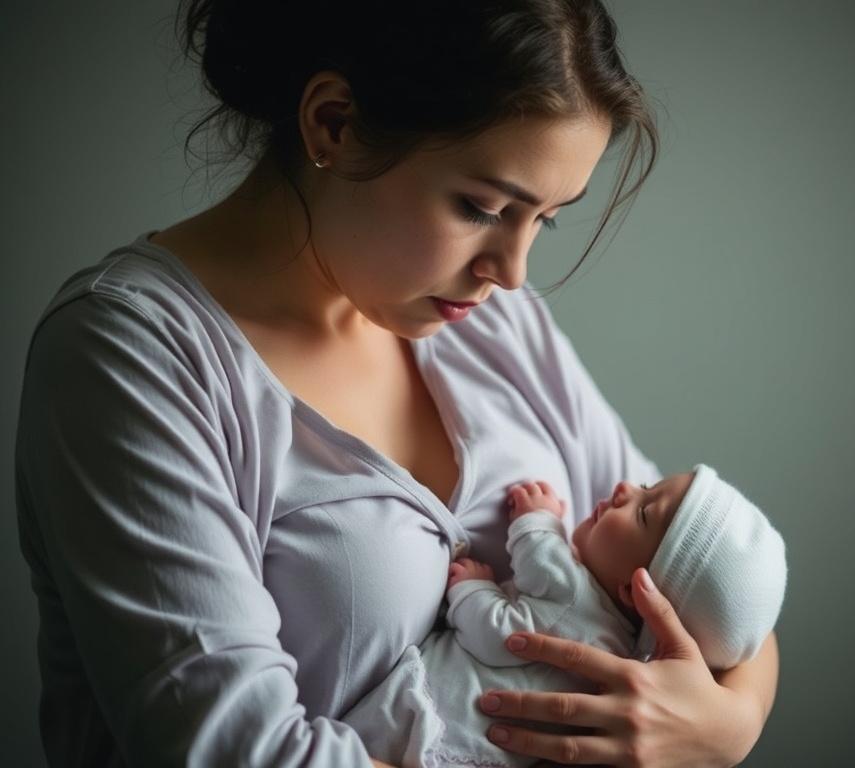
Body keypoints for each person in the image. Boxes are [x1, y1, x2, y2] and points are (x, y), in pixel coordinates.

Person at [14, 1, 780, 766]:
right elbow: (238, 751)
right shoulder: (131, 355)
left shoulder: (489, 322)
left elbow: (705, 577)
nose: (511, 272)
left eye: (543, 219)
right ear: (335, 124)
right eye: (482, 207)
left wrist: (730, 724)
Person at [340, 464, 787, 767]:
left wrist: (477, 582)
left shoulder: (575, 594)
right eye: (649, 487)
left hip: (423, 718)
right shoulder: (627, 662)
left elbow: (500, 632)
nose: (626, 489)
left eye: (645, 511)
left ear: (638, 593)